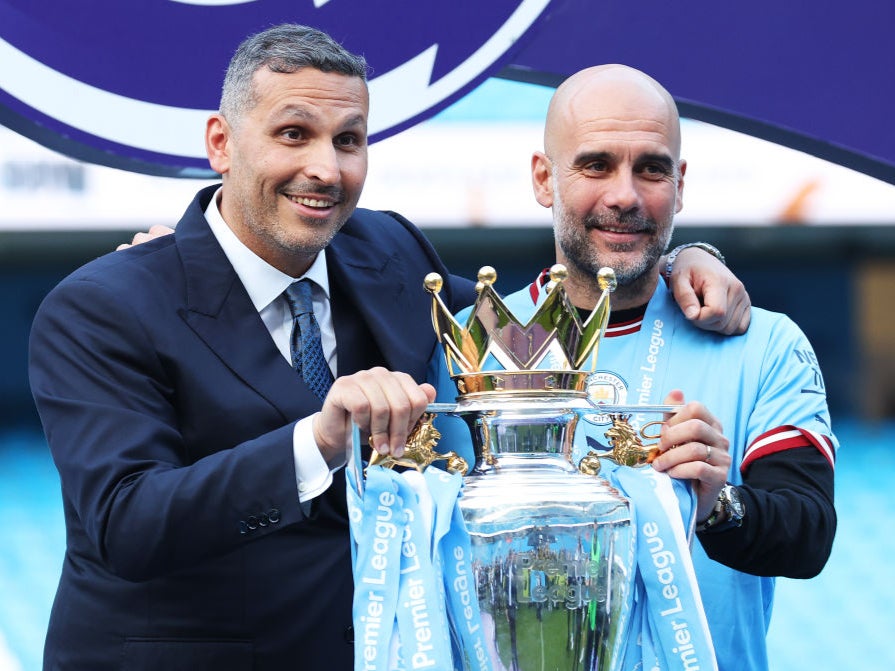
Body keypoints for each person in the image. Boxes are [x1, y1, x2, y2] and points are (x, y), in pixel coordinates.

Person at [29, 25, 749, 671]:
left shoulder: (390, 250)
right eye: (293, 134)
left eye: (348, 140)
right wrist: (317, 441)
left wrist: (678, 259)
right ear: (220, 142)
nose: (326, 168)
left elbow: (533, 323)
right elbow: (128, 522)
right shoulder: (100, 307)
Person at [431, 64, 836, 671]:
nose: (625, 195)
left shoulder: (765, 342)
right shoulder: (469, 345)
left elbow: (807, 534)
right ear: (544, 179)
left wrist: (716, 504)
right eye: (595, 165)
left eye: (651, 168)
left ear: (680, 183)